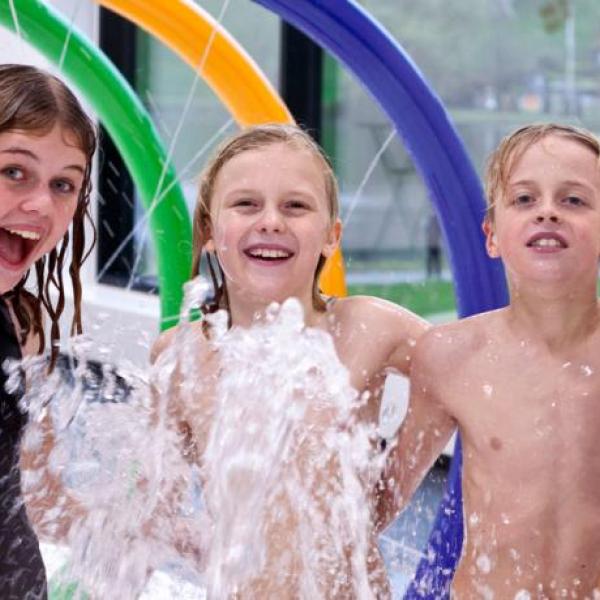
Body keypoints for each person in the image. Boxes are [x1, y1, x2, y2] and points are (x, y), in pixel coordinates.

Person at [151, 123, 427, 597]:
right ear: (210, 231)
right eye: (246, 204)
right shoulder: (179, 353)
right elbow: (160, 504)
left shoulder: (366, 328)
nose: (271, 221)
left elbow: (473, 368)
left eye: (295, 206)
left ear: (331, 236)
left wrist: (401, 472)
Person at [377, 123, 600, 598]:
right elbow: (383, 499)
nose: (547, 213)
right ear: (492, 235)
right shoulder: (454, 357)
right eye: (524, 200)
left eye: (574, 200)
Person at [0, 63, 96, 598]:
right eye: (15, 171)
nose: (41, 204)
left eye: (64, 184)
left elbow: (40, 496)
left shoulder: (24, 322)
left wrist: (142, 528)